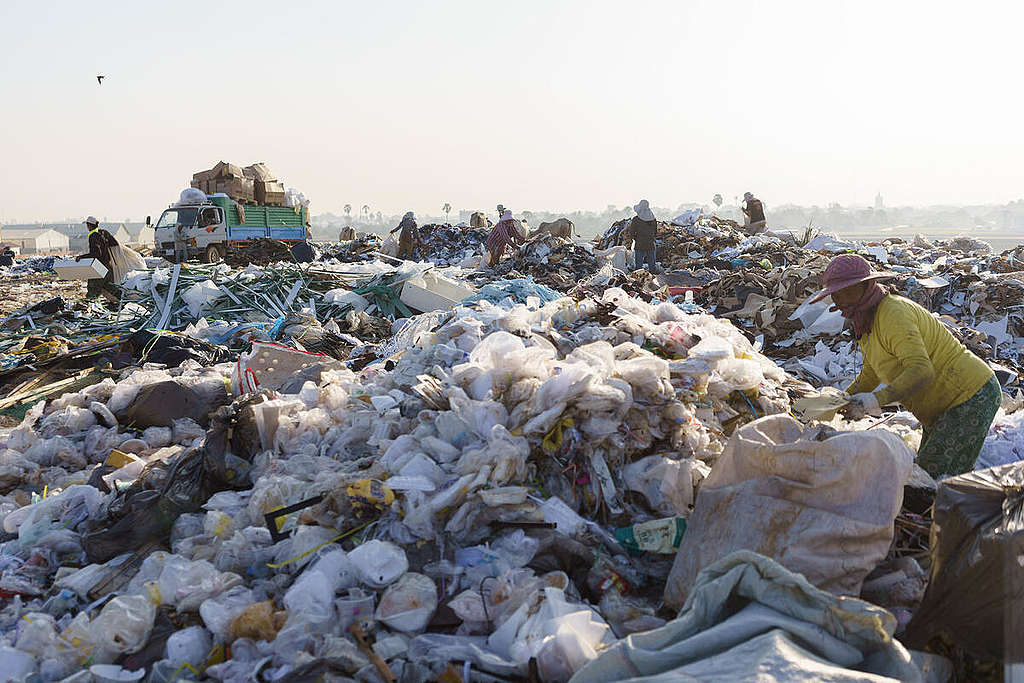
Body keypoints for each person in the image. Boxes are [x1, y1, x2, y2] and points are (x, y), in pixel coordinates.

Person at [812, 254, 999, 478]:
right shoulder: (866, 322)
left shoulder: (894, 313)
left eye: (847, 292)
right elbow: (871, 374)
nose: (841, 301)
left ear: (868, 286)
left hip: (969, 396)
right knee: (924, 472)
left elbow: (922, 370)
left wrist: (875, 400)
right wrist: (837, 401)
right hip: (941, 405)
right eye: (836, 295)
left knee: (932, 479)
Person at [76, 216, 118, 300]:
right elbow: (114, 243)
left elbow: (96, 253)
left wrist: (82, 257)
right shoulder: (103, 233)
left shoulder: (93, 236)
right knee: (110, 288)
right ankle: (124, 301)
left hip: (99, 267)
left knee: (92, 290)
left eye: (87, 225)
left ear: (90, 225)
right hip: (108, 266)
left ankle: (88, 308)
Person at [629, 200, 658, 272]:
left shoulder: (636, 219)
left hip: (639, 244)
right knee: (652, 265)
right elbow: (655, 231)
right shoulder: (653, 219)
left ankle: (639, 280)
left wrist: (635, 238)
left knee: (639, 266)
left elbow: (632, 232)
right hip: (651, 244)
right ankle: (653, 280)